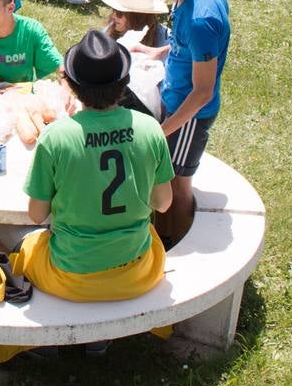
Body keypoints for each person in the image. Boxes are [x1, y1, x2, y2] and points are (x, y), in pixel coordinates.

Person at [12, 30, 173, 302]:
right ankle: (100, 342)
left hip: (71, 277)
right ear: (125, 83)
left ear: (73, 87)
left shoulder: (56, 137)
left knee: (17, 241)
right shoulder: (150, 128)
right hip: (139, 271)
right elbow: (164, 202)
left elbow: (37, 215)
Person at [126, 0, 230, 247]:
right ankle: (166, 233)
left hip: (190, 113)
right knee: (167, 176)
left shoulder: (201, 18)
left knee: (177, 182)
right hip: (177, 99)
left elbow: (202, 92)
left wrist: (163, 130)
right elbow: (187, 47)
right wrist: (158, 52)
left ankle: (178, 239)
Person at [99, 0, 171, 52]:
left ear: (139, 17)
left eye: (120, 13)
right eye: (114, 10)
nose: (114, 16)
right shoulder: (111, 28)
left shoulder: (164, 42)